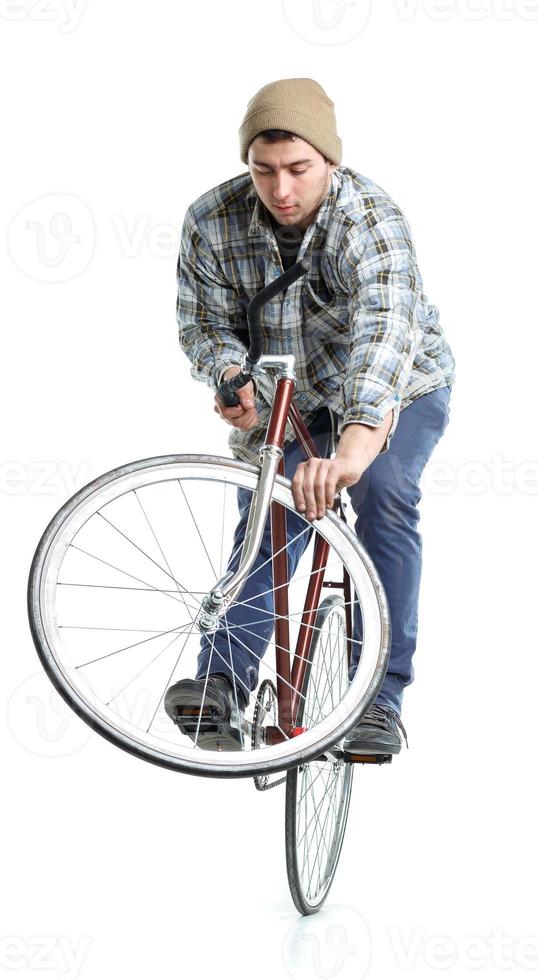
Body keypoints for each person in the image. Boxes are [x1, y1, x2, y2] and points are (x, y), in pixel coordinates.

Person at [164, 77, 455, 757]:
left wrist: (354, 449)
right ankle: (222, 686)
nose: (282, 189)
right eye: (264, 171)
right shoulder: (211, 219)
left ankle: (378, 700)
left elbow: (384, 335)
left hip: (399, 389)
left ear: (330, 160)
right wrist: (229, 374)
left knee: (384, 494)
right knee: (274, 511)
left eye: (299, 169)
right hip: (289, 395)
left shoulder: (371, 218)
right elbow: (204, 324)